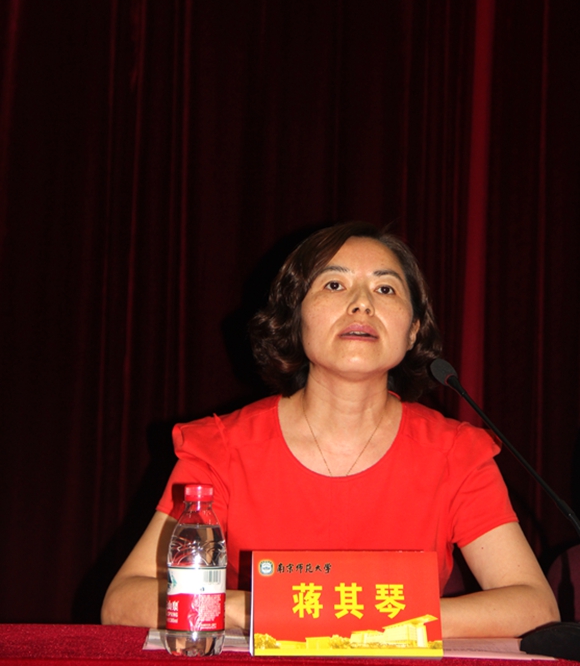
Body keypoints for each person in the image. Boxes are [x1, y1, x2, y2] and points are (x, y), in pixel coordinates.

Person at [101, 221, 559, 636]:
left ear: (413, 330)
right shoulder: (222, 448)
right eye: (335, 284)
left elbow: (533, 606)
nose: (361, 303)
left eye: (385, 289)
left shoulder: (454, 453)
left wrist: (368, 619)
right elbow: (125, 600)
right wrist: (261, 610)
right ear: (295, 317)